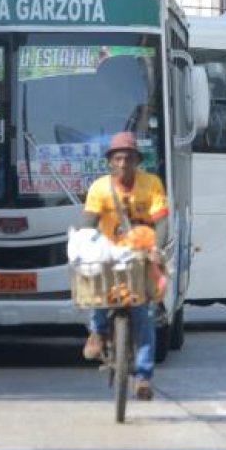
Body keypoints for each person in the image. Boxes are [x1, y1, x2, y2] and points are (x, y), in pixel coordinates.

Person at [79, 131, 168, 401]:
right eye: (117, 158)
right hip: (109, 253)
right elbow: (88, 222)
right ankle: (97, 332)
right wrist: (84, 245)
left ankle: (143, 377)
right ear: (110, 161)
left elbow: (161, 221)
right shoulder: (99, 188)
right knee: (94, 284)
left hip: (140, 255)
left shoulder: (151, 184)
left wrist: (156, 249)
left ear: (136, 160)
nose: (122, 164)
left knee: (144, 316)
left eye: (128, 158)